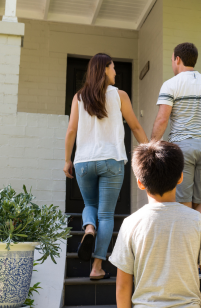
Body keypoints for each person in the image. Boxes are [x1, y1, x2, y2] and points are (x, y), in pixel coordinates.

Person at [63, 53, 148, 280]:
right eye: (113, 68)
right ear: (104, 70)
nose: (116, 72)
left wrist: (67, 160)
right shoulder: (119, 95)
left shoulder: (78, 97)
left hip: (83, 161)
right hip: (111, 160)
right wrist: (150, 150)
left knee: (89, 204)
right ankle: (96, 267)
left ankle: (88, 228)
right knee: (107, 214)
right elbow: (135, 127)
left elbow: (71, 130)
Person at [109, 141, 201, 308]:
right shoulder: (197, 221)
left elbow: (123, 285)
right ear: (180, 177)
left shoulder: (130, 224)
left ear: (140, 183)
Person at [151, 42, 201, 272]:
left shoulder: (171, 84)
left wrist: (152, 147)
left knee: (183, 204)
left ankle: (188, 257)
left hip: (181, 150)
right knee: (200, 203)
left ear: (177, 59)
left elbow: (162, 120)